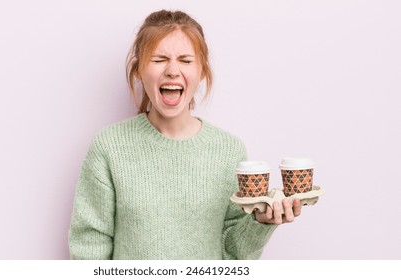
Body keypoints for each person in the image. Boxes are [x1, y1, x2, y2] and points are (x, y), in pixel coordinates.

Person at [68, 9, 302, 260]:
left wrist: (260, 223)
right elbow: (89, 246)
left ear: (202, 71)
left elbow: (233, 254)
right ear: (138, 70)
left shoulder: (229, 151)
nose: (172, 70)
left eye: (185, 60)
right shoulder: (109, 147)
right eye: (158, 60)